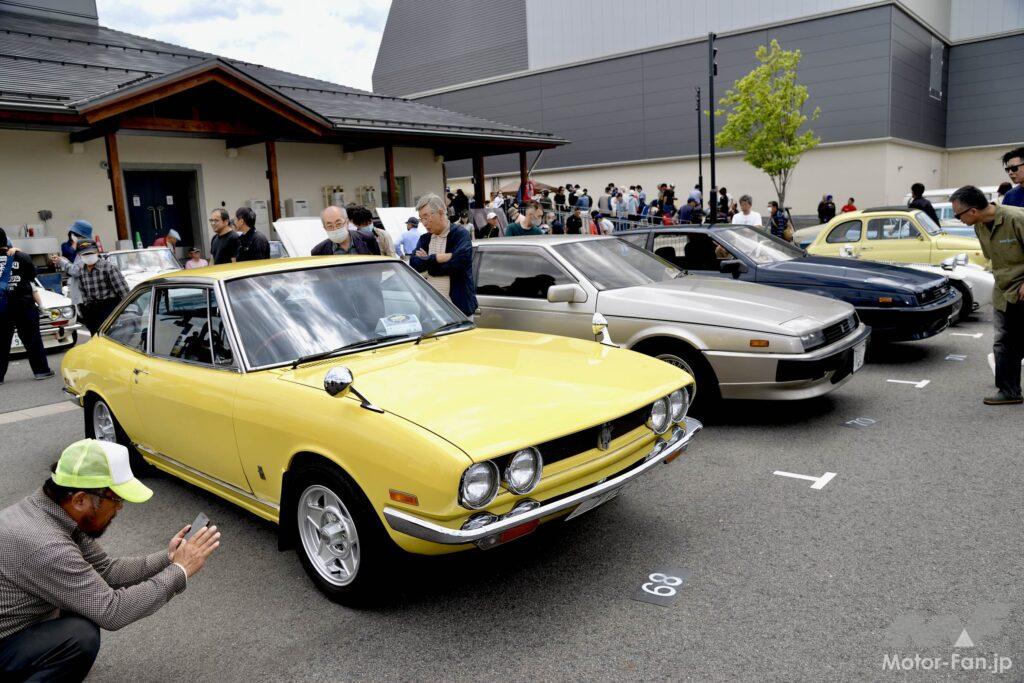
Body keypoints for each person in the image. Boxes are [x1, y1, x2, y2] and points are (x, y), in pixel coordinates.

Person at [0, 439, 220, 681]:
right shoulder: (46, 544)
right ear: (80, 499)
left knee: (81, 606)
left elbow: (106, 570)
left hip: (21, 623)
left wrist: (169, 558)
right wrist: (180, 571)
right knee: (80, 636)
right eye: (116, 499)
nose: (120, 508)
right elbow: (111, 611)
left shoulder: (49, 510)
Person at [950, 185, 1024, 405]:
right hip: (1003, 290)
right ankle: (1009, 391)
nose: (958, 219)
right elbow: (993, 257)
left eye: (958, 215)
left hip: (1022, 290)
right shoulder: (979, 226)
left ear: (972, 211)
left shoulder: (1016, 218)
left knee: (1017, 342)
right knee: (1004, 342)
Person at [0, 228, 53, 383]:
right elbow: (31, 277)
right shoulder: (22, 257)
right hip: (24, 305)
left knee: (1, 342)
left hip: (1, 308)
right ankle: (41, 371)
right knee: (32, 339)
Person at [410, 193, 476, 317]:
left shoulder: (460, 234)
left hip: (457, 309)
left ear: (440, 213)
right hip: (429, 310)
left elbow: (459, 263)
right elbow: (414, 264)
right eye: (421, 219)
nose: (423, 223)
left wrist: (429, 261)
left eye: (426, 217)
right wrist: (439, 257)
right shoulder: (425, 238)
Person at [67, 240, 130, 334]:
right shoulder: (82, 271)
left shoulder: (109, 268)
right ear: (80, 256)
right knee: (95, 336)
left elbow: (123, 291)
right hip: (92, 309)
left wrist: (129, 309)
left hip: (109, 307)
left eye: (91, 253)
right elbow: (83, 291)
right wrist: (86, 309)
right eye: (85, 254)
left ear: (97, 252)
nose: (88, 256)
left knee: (108, 336)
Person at [311, 206, 376, 256]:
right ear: (325, 228)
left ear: (347, 222)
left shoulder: (368, 239)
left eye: (338, 224)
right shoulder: (319, 251)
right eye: (330, 226)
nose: (335, 229)